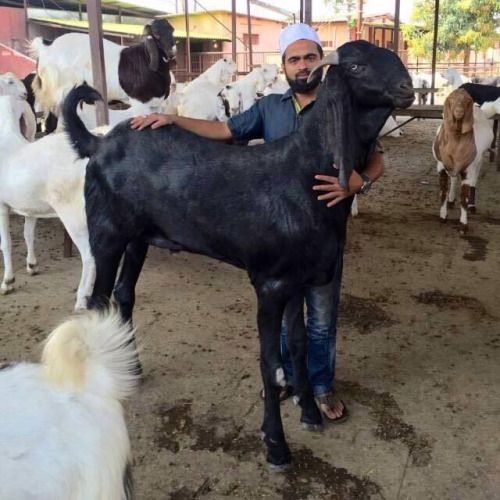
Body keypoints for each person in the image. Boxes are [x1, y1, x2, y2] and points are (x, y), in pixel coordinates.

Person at [130, 23, 384, 422]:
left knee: (320, 318)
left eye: (310, 58)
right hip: (279, 236)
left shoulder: (344, 108)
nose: (303, 66)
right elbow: (224, 130)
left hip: (323, 237)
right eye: (294, 59)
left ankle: (319, 386)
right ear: (283, 66)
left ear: (323, 62)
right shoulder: (270, 109)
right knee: (284, 313)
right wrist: (175, 120)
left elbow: (375, 156)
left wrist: (359, 181)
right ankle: (284, 377)